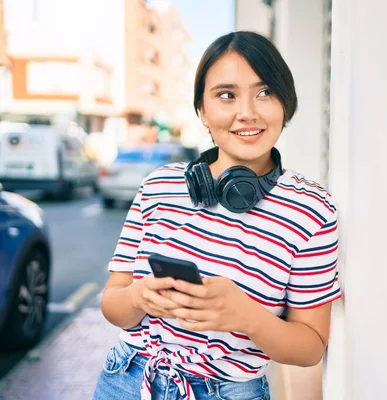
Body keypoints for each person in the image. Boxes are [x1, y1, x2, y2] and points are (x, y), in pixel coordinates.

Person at [93, 31, 341, 400]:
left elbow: (310, 347)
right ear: (202, 111)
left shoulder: (312, 209)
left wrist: (247, 316)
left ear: (285, 104)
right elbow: (113, 304)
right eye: (226, 95)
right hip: (127, 378)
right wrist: (140, 296)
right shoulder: (158, 187)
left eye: (265, 92)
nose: (247, 113)